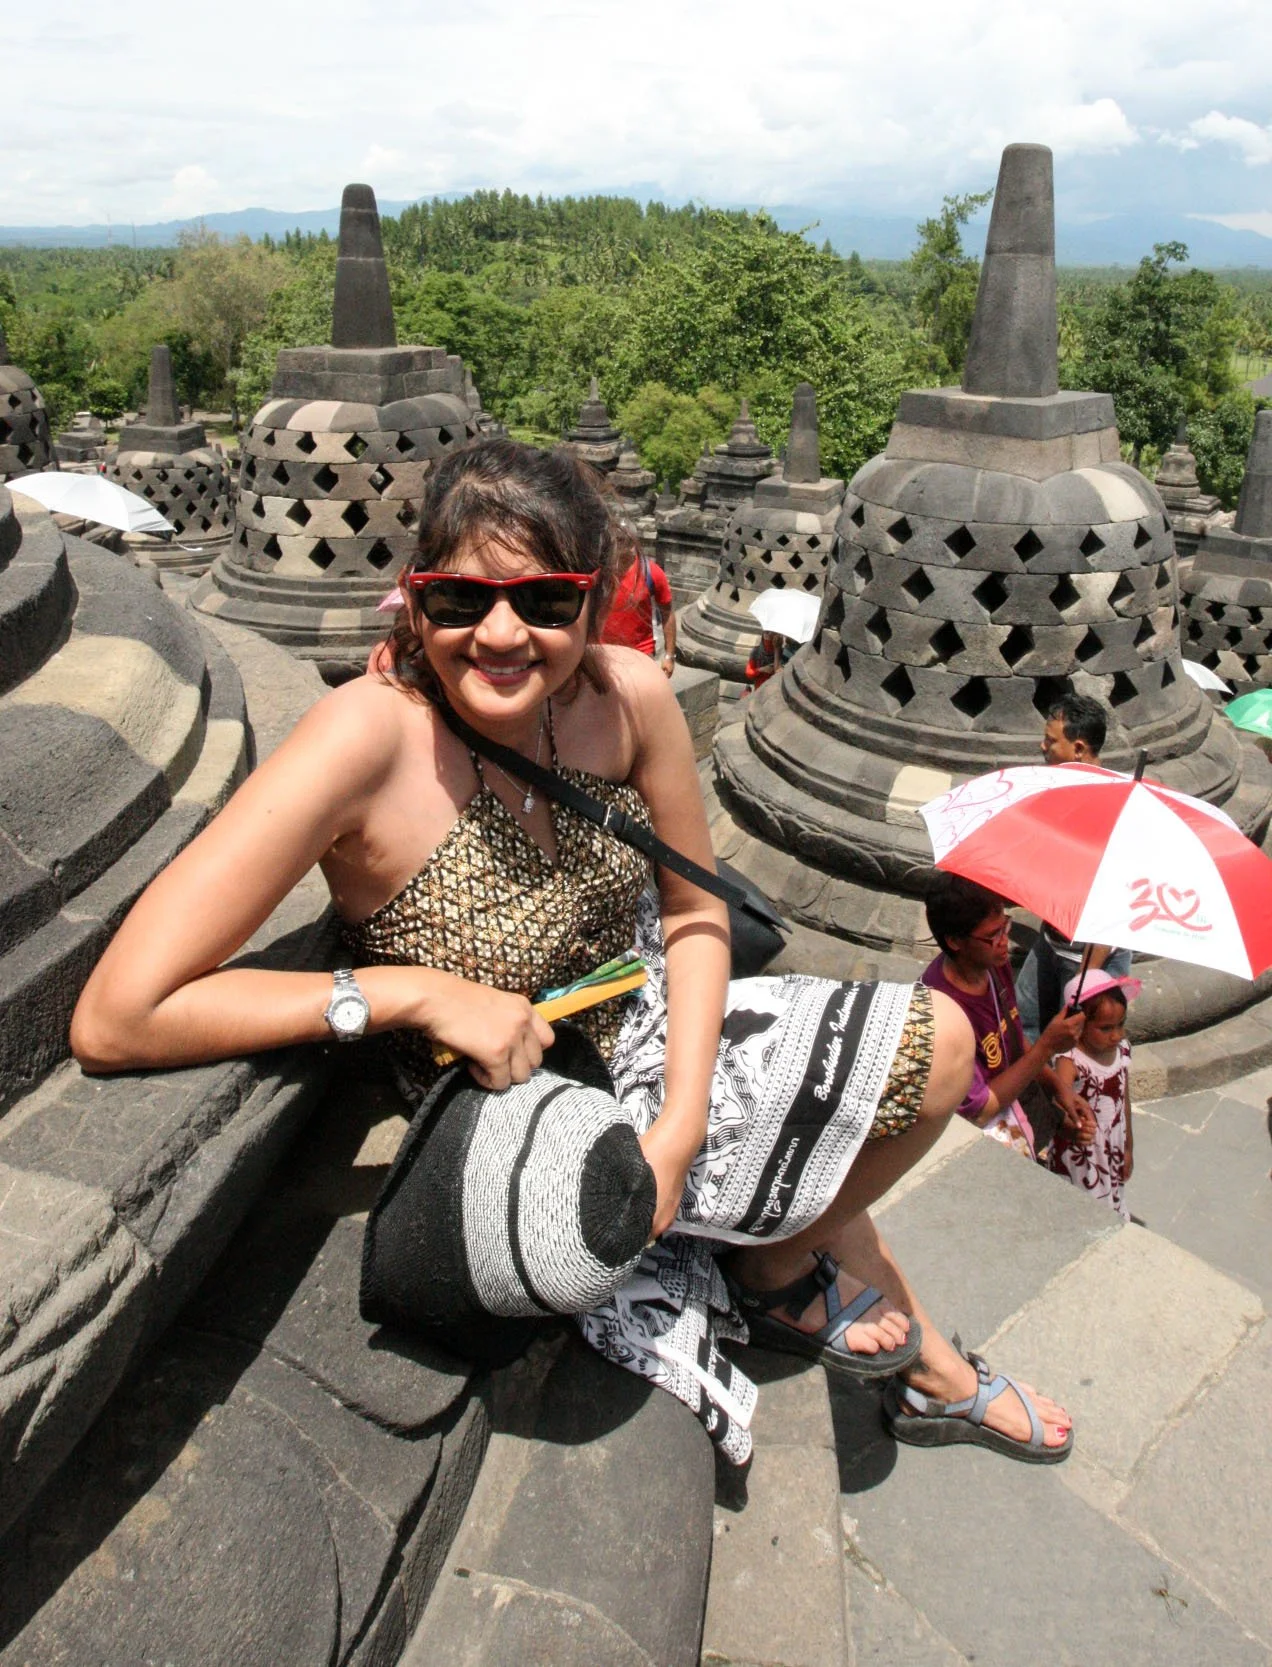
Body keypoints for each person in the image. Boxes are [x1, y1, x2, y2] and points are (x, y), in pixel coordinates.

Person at [70, 437, 1072, 1465]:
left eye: (543, 601)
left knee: (943, 1042)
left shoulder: (625, 696)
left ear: (595, 604)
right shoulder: (366, 739)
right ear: (414, 603)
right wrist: (405, 993)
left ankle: (784, 1267)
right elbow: (118, 1014)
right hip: (524, 1095)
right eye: (459, 601)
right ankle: (908, 1351)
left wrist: (682, 1124)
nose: (499, 632)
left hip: (649, 1021)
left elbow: (692, 911)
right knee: (823, 1174)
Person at [922, 873, 1085, 1160]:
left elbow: (1012, 1035)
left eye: (1005, 926)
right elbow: (980, 1109)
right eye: (993, 935)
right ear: (955, 941)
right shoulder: (942, 1012)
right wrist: (1047, 1047)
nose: (1004, 941)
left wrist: (1058, 1087)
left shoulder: (993, 965)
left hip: (1020, 1110)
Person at [1016, 693, 1133, 1042]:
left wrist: (1088, 976)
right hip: (1052, 938)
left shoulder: (1113, 808)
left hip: (1090, 955)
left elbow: (1115, 901)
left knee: (1082, 1047)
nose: (1043, 746)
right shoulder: (1063, 792)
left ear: (1079, 748)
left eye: (1052, 741)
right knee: (1026, 1023)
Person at [1048, 970, 1139, 1220]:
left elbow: (1124, 1100)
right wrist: (1072, 1126)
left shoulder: (1121, 1050)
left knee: (1110, 1196)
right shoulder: (1070, 1060)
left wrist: (1128, 1146)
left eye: (1121, 1025)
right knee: (1081, 1207)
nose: (1117, 1035)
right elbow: (1058, 1103)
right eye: (1106, 1028)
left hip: (1113, 1142)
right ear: (1079, 1024)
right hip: (1083, 1150)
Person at [600, 547, 676, 676]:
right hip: (603, 652)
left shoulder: (650, 572)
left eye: (625, 542)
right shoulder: (599, 572)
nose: (621, 548)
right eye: (617, 541)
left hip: (640, 652)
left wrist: (669, 656)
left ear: (633, 544)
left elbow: (667, 613)